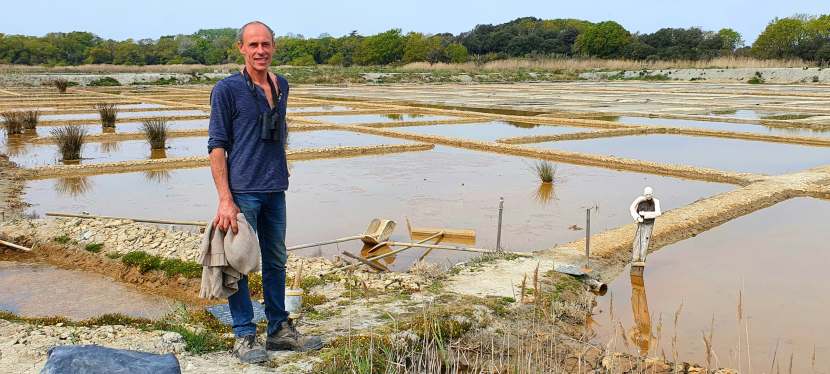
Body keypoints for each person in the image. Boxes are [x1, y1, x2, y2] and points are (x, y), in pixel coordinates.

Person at [208, 20, 322, 364]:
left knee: (276, 261)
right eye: (253, 45)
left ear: (274, 47)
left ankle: (279, 331)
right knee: (239, 264)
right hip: (243, 193)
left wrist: (281, 166)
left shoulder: (281, 85)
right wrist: (225, 200)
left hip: (275, 190)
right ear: (241, 48)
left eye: (266, 45)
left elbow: (279, 132)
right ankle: (244, 334)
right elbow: (217, 147)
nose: (260, 51)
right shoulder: (226, 90)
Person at [629, 186, 661, 267]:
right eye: (646, 194)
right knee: (637, 240)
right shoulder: (640, 199)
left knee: (645, 241)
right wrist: (637, 217)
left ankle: (642, 259)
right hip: (641, 223)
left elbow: (658, 213)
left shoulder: (656, 201)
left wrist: (645, 214)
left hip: (649, 224)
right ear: (644, 194)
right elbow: (632, 208)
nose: (648, 196)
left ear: (652, 194)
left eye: (650, 194)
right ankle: (635, 258)